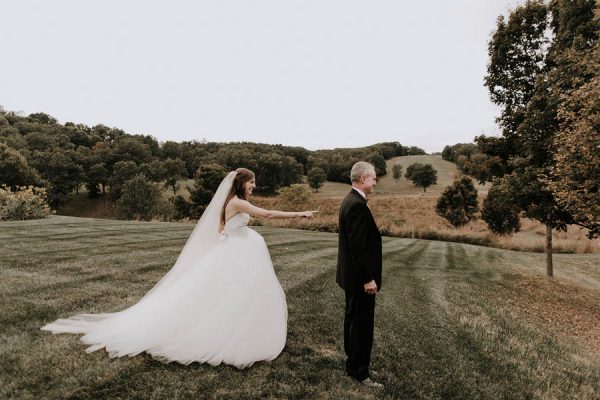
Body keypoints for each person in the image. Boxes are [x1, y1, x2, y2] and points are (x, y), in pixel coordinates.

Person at [42, 168, 315, 368]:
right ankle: (223, 333)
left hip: (234, 248)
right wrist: (299, 214)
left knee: (230, 294)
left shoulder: (229, 203)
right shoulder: (237, 201)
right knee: (232, 293)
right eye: (252, 182)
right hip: (235, 251)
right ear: (242, 184)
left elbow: (221, 227)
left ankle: (234, 326)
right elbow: (266, 214)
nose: (255, 185)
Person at [336, 161, 383, 388]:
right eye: (373, 178)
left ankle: (352, 363)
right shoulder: (356, 205)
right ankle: (359, 372)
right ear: (362, 179)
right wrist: (368, 278)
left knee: (353, 320)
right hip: (359, 279)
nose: (376, 181)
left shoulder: (350, 200)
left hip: (352, 277)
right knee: (362, 325)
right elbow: (358, 246)